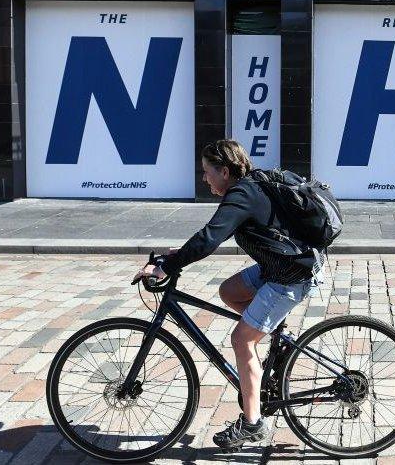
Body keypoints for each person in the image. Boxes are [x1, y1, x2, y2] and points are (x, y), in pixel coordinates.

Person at [135, 139, 323, 449]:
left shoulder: (242, 194)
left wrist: (167, 266)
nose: (204, 178)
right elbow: (210, 237)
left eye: (207, 172)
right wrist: (178, 254)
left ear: (224, 171)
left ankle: (251, 423)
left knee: (241, 339)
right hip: (278, 266)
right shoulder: (247, 188)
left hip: (291, 275)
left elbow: (209, 238)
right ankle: (273, 338)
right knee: (229, 291)